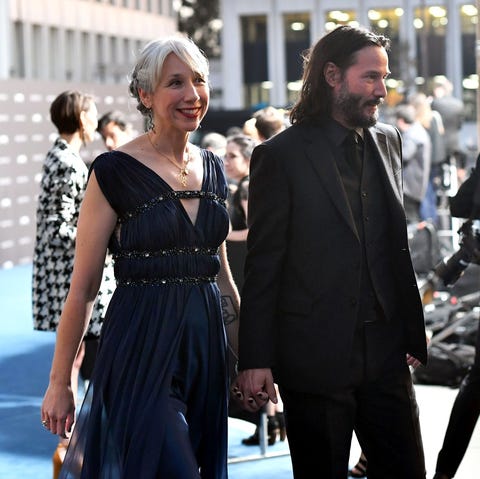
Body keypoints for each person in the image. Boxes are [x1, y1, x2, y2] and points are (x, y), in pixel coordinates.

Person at [231, 25, 428, 479]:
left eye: (385, 78)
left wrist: (408, 328)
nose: (382, 90)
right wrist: (256, 358)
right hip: (314, 358)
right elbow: (264, 264)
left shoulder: (389, 141)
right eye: (370, 78)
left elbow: (392, 247)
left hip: (385, 354)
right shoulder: (280, 156)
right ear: (332, 75)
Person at [40, 35, 240, 478]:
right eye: (175, 82)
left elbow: (221, 275)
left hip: (205, 351)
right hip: (141, 347)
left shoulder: (213, 168)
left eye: (199, 80)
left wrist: (251, 360)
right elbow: (84, 288)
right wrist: (59, 383)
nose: (192, 94)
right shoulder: (113, 171)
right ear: (145, 95)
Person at [32, 90, 116, 478]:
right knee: (79, 356)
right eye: (92, 111)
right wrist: (101, 234)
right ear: (81, 117)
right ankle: (77, 438)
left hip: (64, 272)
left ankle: (77, 436)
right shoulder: (67, 162)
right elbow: (59, 226)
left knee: (78, 357)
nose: (97, 117)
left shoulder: (62, 156)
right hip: (68, 275)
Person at [224, 134, 258, 291]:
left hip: (242, 263)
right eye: (225, 155)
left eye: (233, 156)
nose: (226, 161)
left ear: (248, 159)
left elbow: (254, 231)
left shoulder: (247, 187)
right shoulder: (244, 186)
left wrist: (222, 236)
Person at [394, 103, 432, 223]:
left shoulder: (412, 135)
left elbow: (404, 155)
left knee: (410, 223)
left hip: (410, 187)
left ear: (400, 121)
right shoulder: (418, 130)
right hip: (416, 186)